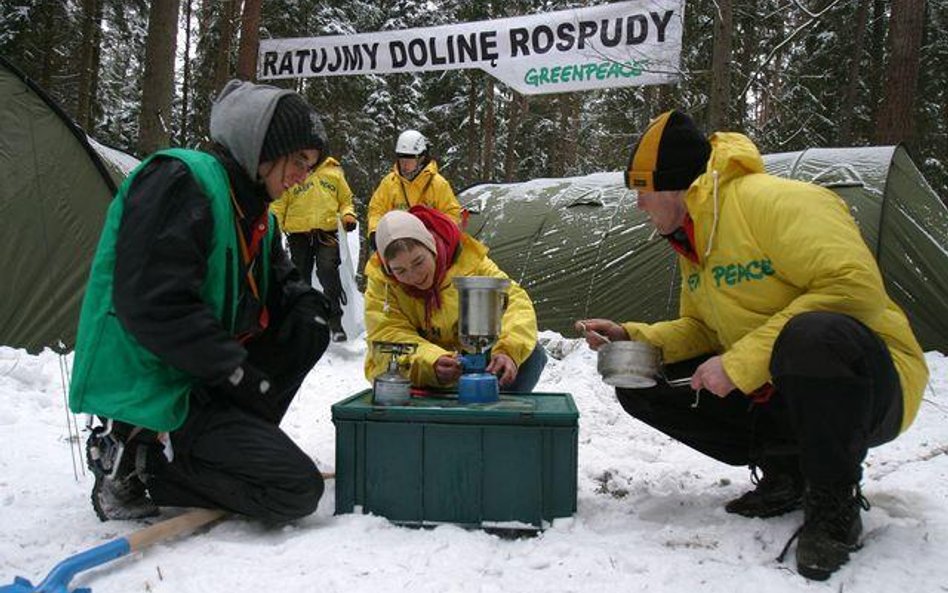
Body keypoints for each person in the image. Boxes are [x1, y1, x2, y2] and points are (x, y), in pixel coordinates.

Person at [576, 109, 928, 580]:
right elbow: (702, 330)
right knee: (641, 381)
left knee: (813, 335)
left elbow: (852, 288)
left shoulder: (780, 203)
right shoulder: (695, 237)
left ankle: (833, 506)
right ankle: (787, 471)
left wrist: (740, 364)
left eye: (643, 190)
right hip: (785, 383)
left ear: (675, 186)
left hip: (872, 386)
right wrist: (633, 337)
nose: (639, 204)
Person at [69, 80, 333, 523]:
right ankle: (135, 460)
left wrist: (311, 311)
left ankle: (223, 450)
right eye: (298, 161)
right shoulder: (181, 179)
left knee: (307, 325)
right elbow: (154, 303)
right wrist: (234, 370)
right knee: (293, 491)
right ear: (263, 148)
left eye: (310, 167)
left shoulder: (253, 214)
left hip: (200, 381)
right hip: (155, 388)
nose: (302, 177)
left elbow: (284, 286)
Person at [364, 206, 547, 392]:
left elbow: (514, 303)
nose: (414, 276)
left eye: (419, 262)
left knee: (532, 354)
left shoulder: (470, 263)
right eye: (400, 271)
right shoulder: (383, 283)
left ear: (431, 247)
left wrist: (508, 351)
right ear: (388, 270)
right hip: (425, 368)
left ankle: (500, 415)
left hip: (474, 356)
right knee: (389, 363)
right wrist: (431, 361)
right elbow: (387, 334)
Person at [271, 155, 357, 342]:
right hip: (298, 234)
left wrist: (348, 215)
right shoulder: (293, 172)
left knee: (328, 271)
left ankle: (335, 322)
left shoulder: (334, 172)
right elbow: (279, 203)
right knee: (300, 277)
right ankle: (303, 322)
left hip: (327, 232)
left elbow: (345, 201)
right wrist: (273, 228)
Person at [366, 129, 461, 249]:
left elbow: (452, 214)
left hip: (430, 247)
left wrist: (438, 234)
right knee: (372, 268)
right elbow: (376, 210)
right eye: (401, 158)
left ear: (421, 158)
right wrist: (375, 231)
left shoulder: (438, 184)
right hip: (396, 246)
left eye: (409, 159)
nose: (404, 164)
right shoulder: (389, 183)